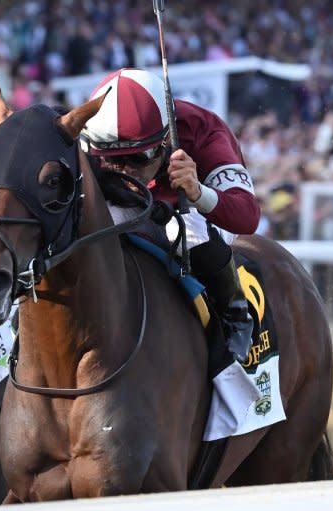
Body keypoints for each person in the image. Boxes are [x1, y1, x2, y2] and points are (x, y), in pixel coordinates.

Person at [80, 68, 260, 364]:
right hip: (125, 201)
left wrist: (198, 191)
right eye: (112, 160)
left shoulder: (204, 131)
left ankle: (235, 313)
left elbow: (247, 218)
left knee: (187, 233)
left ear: (166, 140)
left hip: (190, 209)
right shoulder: (89, 129)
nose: (127, 170)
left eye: (138, 158)